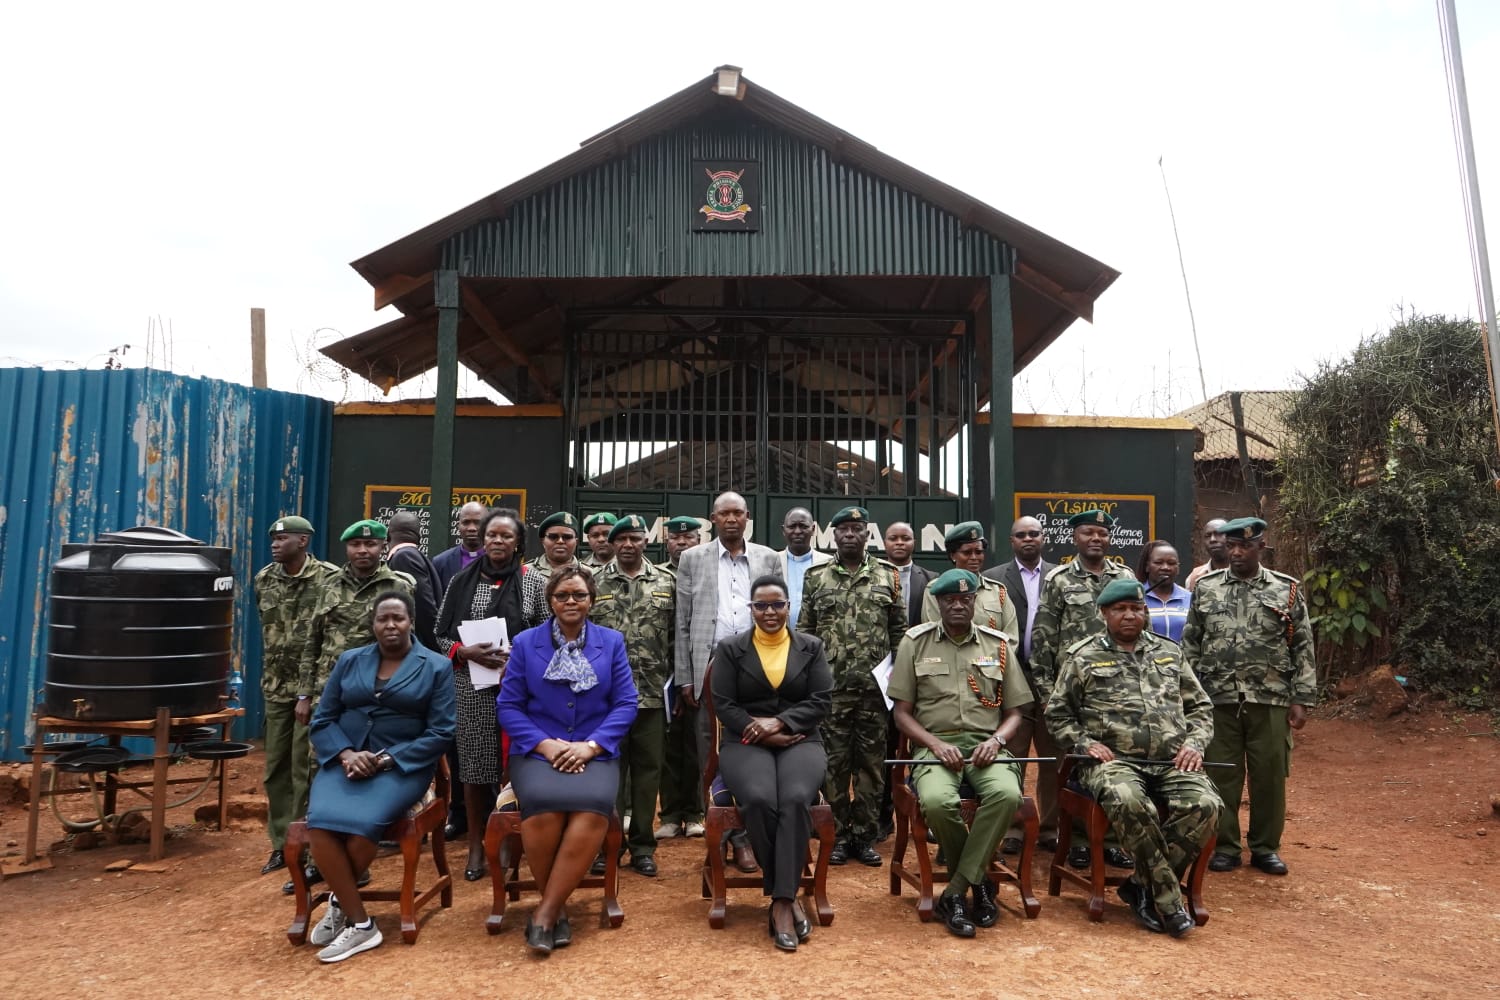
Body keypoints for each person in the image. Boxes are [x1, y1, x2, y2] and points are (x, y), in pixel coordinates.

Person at [1046, 578, 1221, 938]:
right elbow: (1057, 714)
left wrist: (1196, 744)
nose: (1130, 616)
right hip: (1112, 762)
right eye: (1120, 610)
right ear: (1104, 614)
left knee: (1206, 805)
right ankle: (1169, 901)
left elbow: (1201, 707)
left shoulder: (1170, 653)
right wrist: (1084, 742)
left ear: (1145, 611)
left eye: (1136, 609)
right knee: (1130, 800)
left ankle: (1141, 884)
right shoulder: (1083, 656)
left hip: (1172, 760)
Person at [303, 591, 456, 963]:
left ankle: (346, 910)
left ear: (411, 622)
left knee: (362, 825)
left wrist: (386, 759)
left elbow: (441, 732)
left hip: (401, 768)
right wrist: (346, 753)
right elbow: (322, 719)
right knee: (319, 824)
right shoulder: (350, 660)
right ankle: (361, 921)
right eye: (383, 619)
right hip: (345, 763)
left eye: (398, 619)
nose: (390, 625)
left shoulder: (435, 666)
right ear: (373, 624)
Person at [497, 567, 639, 956]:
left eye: (578, 595)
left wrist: (590, 747)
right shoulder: (526, 643)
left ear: (591, 599)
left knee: (591, 809)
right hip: (538, 752)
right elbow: (508, 706)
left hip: (595, 752)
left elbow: (626, 703)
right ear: (551, 601)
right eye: (563, 596)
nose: (571, 602)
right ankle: (553, 910)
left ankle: (545, 914)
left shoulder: (611, 642)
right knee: (543, 807)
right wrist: (545, 746)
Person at [889, 569, 1031, 939]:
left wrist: (997, 741)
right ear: (938, 603)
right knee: (936, 801)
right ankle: (979, 883)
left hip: (986, 745)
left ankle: (953, 892)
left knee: (1007, 794)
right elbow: (900, 713)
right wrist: (935, 744)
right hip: (935, 746)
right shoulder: (914, 642)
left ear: (974, 603)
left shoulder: (997, 645)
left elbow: (1016, 712)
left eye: (964, 600)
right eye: (949, 599)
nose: (957, 605)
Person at [1182, 516, 1316, 876]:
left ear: (1261, 546)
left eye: (1245, 546)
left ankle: (1264, 847)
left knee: (1269, 774)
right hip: (1217, 698)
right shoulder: (1206, 588)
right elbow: (1191, 644)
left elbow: (1302, 646)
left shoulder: (1285, 590)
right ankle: (1224, 845)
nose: (1237, 552)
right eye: (1232, 546)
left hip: (1269, 697)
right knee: (1220, 774)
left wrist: (1300, 698)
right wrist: (1191, 695)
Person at [290, 518, 415, 893]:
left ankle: (357, 858)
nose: (363, 551)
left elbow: (414, 646)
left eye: (371, 544)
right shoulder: (326, 586)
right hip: (332, 696)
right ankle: (319, 861)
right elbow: (311, 643)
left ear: (383, 548)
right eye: (356, 545)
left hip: (379, 700)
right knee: (321, 770)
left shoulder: (401, 586)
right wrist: (304, 694)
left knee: (372, 772)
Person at [711, 575, 833, 952]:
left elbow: (821, 700)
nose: (769, 612)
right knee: (761, 800)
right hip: (745, 741)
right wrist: (758, 730)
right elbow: (724, 703)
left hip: (800, 739)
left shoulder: (811, 647)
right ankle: (786, 897)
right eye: (761, 605)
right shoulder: (731, 648)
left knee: (796, 798)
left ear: (788, 606)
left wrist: (781, 723)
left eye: (776, 604)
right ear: (751, 608)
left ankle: (781, 901)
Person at [434, 507, 548, 880]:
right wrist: (463, 652)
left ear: (518, 543)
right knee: (475, 766)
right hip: (471, 685)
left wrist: (522, 653)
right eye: (492, 535)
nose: (498, 542)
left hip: (523, 686)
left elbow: (549, 630)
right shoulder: (460, 581)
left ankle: (514, 842)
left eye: (506, 536)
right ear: (482, 540)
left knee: (517, 764)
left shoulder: (532, 581)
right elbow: (439, 633)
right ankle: (477, 846)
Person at [674, 490, 779, 873]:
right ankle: (724, 838)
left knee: (754, 749)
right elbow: (682, 622)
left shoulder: (769, 557)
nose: (731, 519)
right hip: (710, 668)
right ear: (713, 520)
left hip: (759, 668)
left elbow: (780, 616)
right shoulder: (692, 559)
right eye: (724, 514)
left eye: (738, 513)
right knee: (712, 755)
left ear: (747, 517)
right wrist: (686, 677)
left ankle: (751, 835)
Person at [796, 506, 905, 867]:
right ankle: (839, 835)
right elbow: (805, 634)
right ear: (833, 536)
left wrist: (899, 683)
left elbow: (898, 633)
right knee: (834, 766)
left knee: (872, 767)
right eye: (842, 529)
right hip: (831, 691)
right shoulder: (817, 577)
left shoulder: (888, 576)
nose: (849, 535)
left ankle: (866, 834)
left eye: (857, 529)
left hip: (875, 691)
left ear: (867, 535)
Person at [1029, 507, 1137, 871]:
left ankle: (1111, 839)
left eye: (1102, 534)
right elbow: (1043, 640)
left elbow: (1138, 632)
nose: (1096, 539)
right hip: (1072, 693)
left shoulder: (1124, 576)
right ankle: (1074, 839)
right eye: (1089, 533)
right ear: (1075, 537)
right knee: (1070, 766)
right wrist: (1046, 693)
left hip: (1116, 692)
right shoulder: (1059, 579)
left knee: (1116, 763)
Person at [588, 514, 675, 876]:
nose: (627, 545)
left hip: (653, 694)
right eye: (620, 539)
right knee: (608, 772)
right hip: (606, 699)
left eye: (634, 539)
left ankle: (642, 845)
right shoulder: (593, 582)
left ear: (645, 542)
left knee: (647, 773)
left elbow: (675, 638)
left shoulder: (666, 582)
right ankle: (606, 845)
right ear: (612, 543)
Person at [253, 515, 334, 877]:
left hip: (313, 690)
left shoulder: (327, 579)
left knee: (306, 768)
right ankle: (282, 844)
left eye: (282, 538)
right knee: (276, 770)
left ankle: (313, 848)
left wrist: (311, 689)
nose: (274, 543)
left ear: (303, 541)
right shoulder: (263, 580)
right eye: (272, 537)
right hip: (275, 686)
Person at [983, 515, 1059, 854]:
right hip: (1011, 678)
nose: (1028, 539)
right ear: (1012, 541)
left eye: (1034, 534)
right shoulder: (993, 579)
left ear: (1043, 538)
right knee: (1013, 756)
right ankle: (1013, 828)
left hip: (1053, 681)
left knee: (1053, 757)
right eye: (1021, 535)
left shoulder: (1060, 577)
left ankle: (1050, 829)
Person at [431, 500, 488, 838]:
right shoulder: (441, 564)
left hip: (495, 661)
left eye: (476, 522)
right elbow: (438, 617)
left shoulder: (506, 564)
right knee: (457, 740)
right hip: (456, 663)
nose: (470, 528)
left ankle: (491, 808)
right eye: (464, 522)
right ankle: (459, 812)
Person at [657, 515, 706, 839]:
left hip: (700, 668)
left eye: (689, 537)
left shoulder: (706, 574)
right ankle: (671, 814)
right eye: (676, 538)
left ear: (698, 541)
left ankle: (697, 812)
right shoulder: (657, 577)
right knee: (669, 745)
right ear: (666, 542)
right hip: (663, 673)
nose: (682, 542)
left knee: (698, 744)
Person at [920, 522, 1019, 647]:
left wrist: (990, 663)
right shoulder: (936, 590)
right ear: (953, 555)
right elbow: (934, 635)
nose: (974, 557)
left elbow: (1011, 638)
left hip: (991, 664)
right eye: (967, 552)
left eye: (978, 552)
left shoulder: (997, 591)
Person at [385, 510, 443, 651]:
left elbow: (423, 607)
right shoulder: (413, 555)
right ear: (419, 537)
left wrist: (437, 647)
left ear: (387, 535)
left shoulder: (404, 557)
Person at [777, 507, 831, 624]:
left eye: (803, 526)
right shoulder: (772, 561)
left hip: (817, 638)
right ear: (783, 530)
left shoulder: (828, 563)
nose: (797, 531)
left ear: (813, 529)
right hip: (780, 638)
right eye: (792, 526)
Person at [1138, 540, 1191, 643]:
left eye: (1171, 563)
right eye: (1158, 562)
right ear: (1147, 566)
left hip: (1182, 658)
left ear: (1178, 568)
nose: (1166, 567)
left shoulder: (1190, 598)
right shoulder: (1136, 597)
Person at [884, 521, 934, 625]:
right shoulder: (871, 576)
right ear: (885, 543)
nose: (899, 542)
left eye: (906, 538)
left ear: (914, 543)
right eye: (893, 538)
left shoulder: (931, 579)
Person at [433, 501, 489, 594]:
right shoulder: (441, 562)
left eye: (478, 522)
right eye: (466, 522)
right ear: (458, 526)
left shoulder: (499, 561)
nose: (472, 528)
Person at [527, 511, 582, 580]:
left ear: (576, 542)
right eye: (553, 537)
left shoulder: (591, 574)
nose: (560, 541)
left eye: (567, 537)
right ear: (543, 541)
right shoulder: (525, 572)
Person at [1185, 518, 1229, 591]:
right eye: (1207, 536)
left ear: (1230, 538)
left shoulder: (1244, 572)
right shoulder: (1194, 577)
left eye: (1218, 534)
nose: (1212, 539)